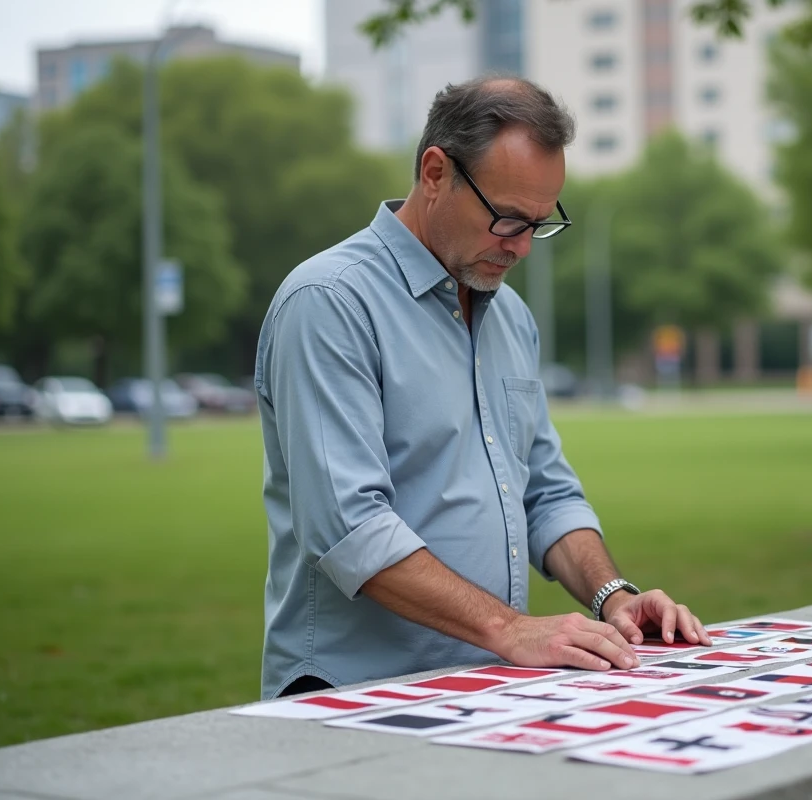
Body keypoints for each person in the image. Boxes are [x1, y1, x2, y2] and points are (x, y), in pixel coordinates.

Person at [255, 76, 711, 700]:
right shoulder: (329, 302)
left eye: (539, 225)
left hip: (488, 684)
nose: (521, 246)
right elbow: (349, 529)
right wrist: (510, 628)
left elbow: (546, 492)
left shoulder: (509, 315)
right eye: (506, 219)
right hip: (355, 694)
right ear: (435, 172)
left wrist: (614, 598)